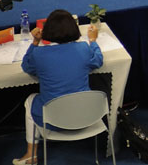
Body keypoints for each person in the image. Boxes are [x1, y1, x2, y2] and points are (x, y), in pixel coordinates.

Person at [15, 10, 102, 165]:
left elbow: (26, 66)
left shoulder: (40, 54)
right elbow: (98, 61)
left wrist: (35, 42)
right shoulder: (83, 48)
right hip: (87, 115)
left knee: (30, 101)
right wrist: (93, 40)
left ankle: (31, 154)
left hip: (53, 120)